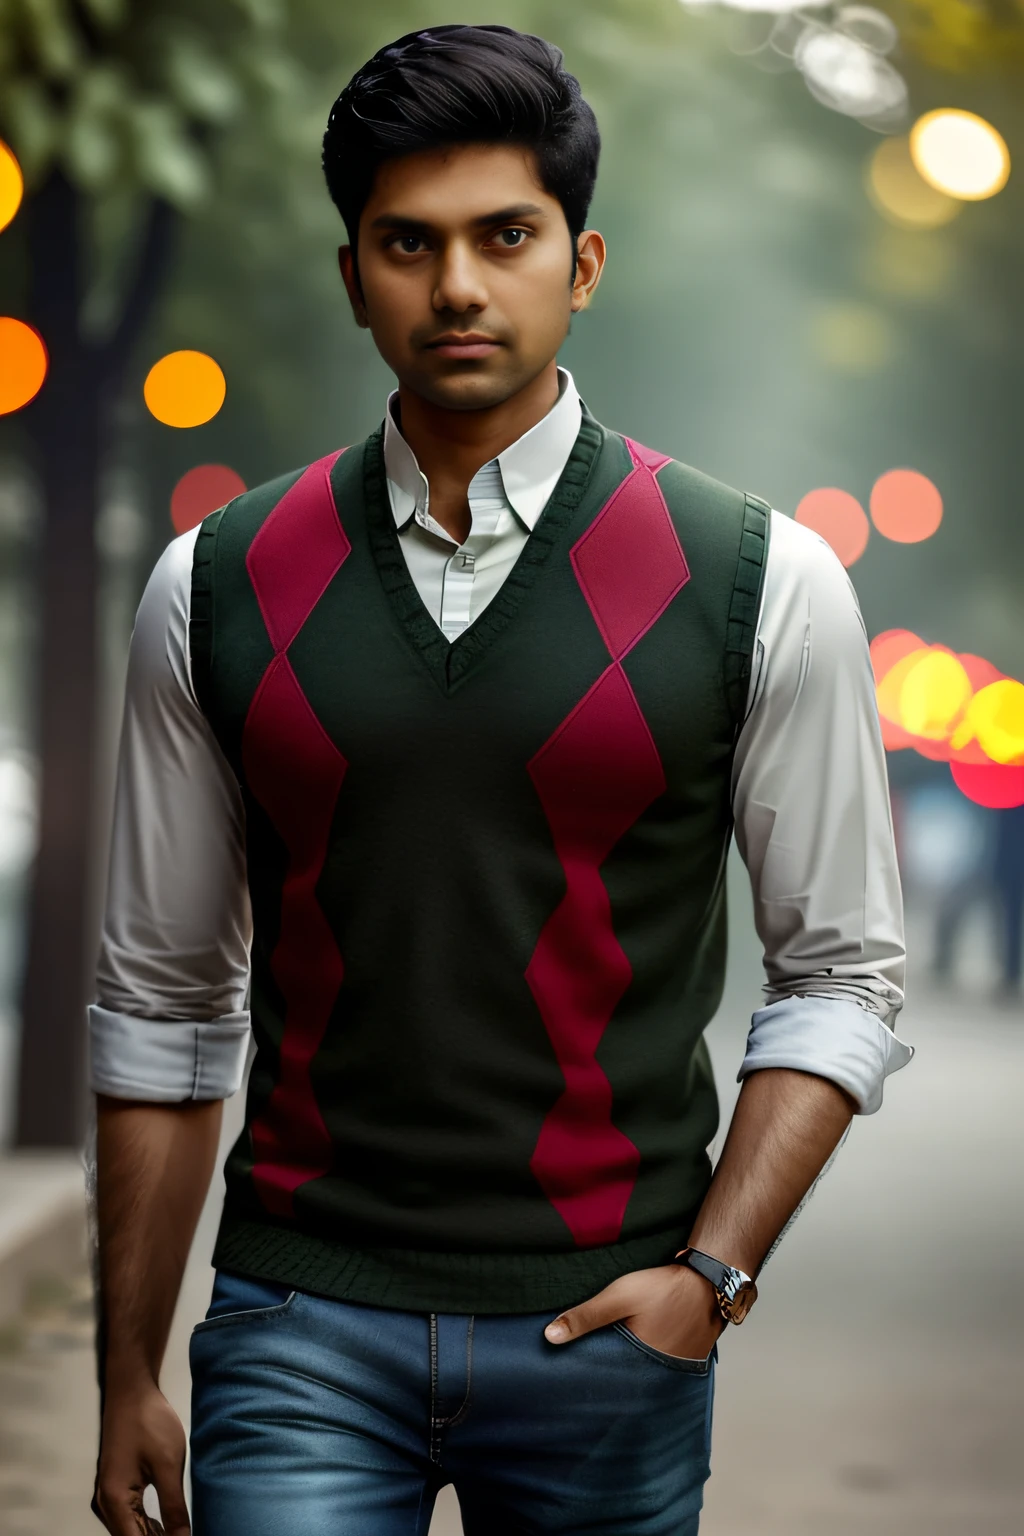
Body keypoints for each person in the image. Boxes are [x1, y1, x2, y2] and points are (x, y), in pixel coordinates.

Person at [88, 25, 912, 1536]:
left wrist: (709, 1280)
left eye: (505, 237)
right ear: (354, 277)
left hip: (611, 1327)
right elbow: (162, 1002)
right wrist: (124, 1367)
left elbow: (845, 974)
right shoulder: (216, 586)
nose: (457, 285)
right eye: (407, 243)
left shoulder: (760, 581)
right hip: (297, 1321)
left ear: (582, 264)